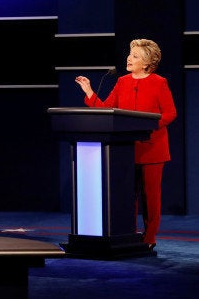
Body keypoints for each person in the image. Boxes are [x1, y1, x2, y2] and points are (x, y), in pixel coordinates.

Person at [74, 38, 177, 250]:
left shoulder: (159, 82)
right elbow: (107, 110)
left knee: (151, 197)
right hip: (126, 150)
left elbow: (170, 113)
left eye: (135, 56)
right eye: (130, 55)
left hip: (152, 150)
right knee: (127, 196)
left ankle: (149, 237)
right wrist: (89, 92)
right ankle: (128, 234)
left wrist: (148, 126)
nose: (129, 59)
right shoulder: (122, 81)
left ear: (147, 63)